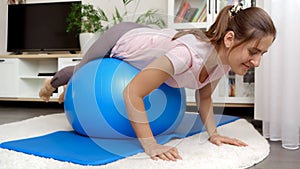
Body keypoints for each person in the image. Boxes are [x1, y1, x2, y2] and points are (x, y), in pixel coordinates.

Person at [39, 4, 276, 161]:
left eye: (261, 54)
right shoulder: (186, 56)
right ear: (229, 39)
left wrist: (213, 133)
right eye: (253, 51)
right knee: (82, 71)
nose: (256, 62)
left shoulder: (223, 62)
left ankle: (70, 90)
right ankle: (55, 82)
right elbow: (132, 92)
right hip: (120, 37)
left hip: (151, 37)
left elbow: (204, 96)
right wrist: (150, 145)